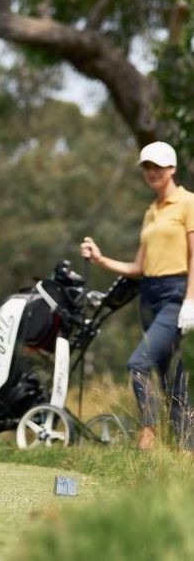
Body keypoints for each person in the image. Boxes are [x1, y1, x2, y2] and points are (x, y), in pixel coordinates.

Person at [81, 141, 194, 450]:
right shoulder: (150, 212)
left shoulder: (188, 203)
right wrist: (100, 259)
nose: (152, 172)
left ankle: (148, 430)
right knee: (170, 378)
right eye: (147, 167)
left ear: (172, 168)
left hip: (175, 295)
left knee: (138, 363)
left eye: (157, 166)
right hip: (150, 295)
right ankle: (186, 452)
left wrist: (190, 300)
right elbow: (138, 267)